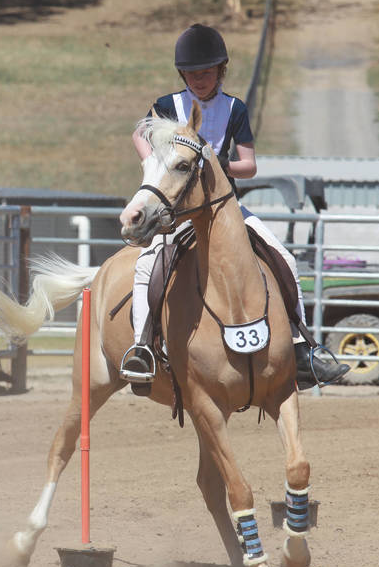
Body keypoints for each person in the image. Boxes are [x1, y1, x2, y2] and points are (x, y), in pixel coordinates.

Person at [119, 23, 350, 390]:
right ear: (182, 74)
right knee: (148, 263)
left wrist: (218, 167)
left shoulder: (234, 108)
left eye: (206, 73)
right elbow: (138, 133)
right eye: (192, 74)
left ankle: (301, 348)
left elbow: (250, 165)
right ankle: (142, 347)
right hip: (178, 209)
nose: (199, 79)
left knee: (284, 258)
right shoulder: (167, 105)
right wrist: (154, 165)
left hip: (224, 209)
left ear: (220, 71)